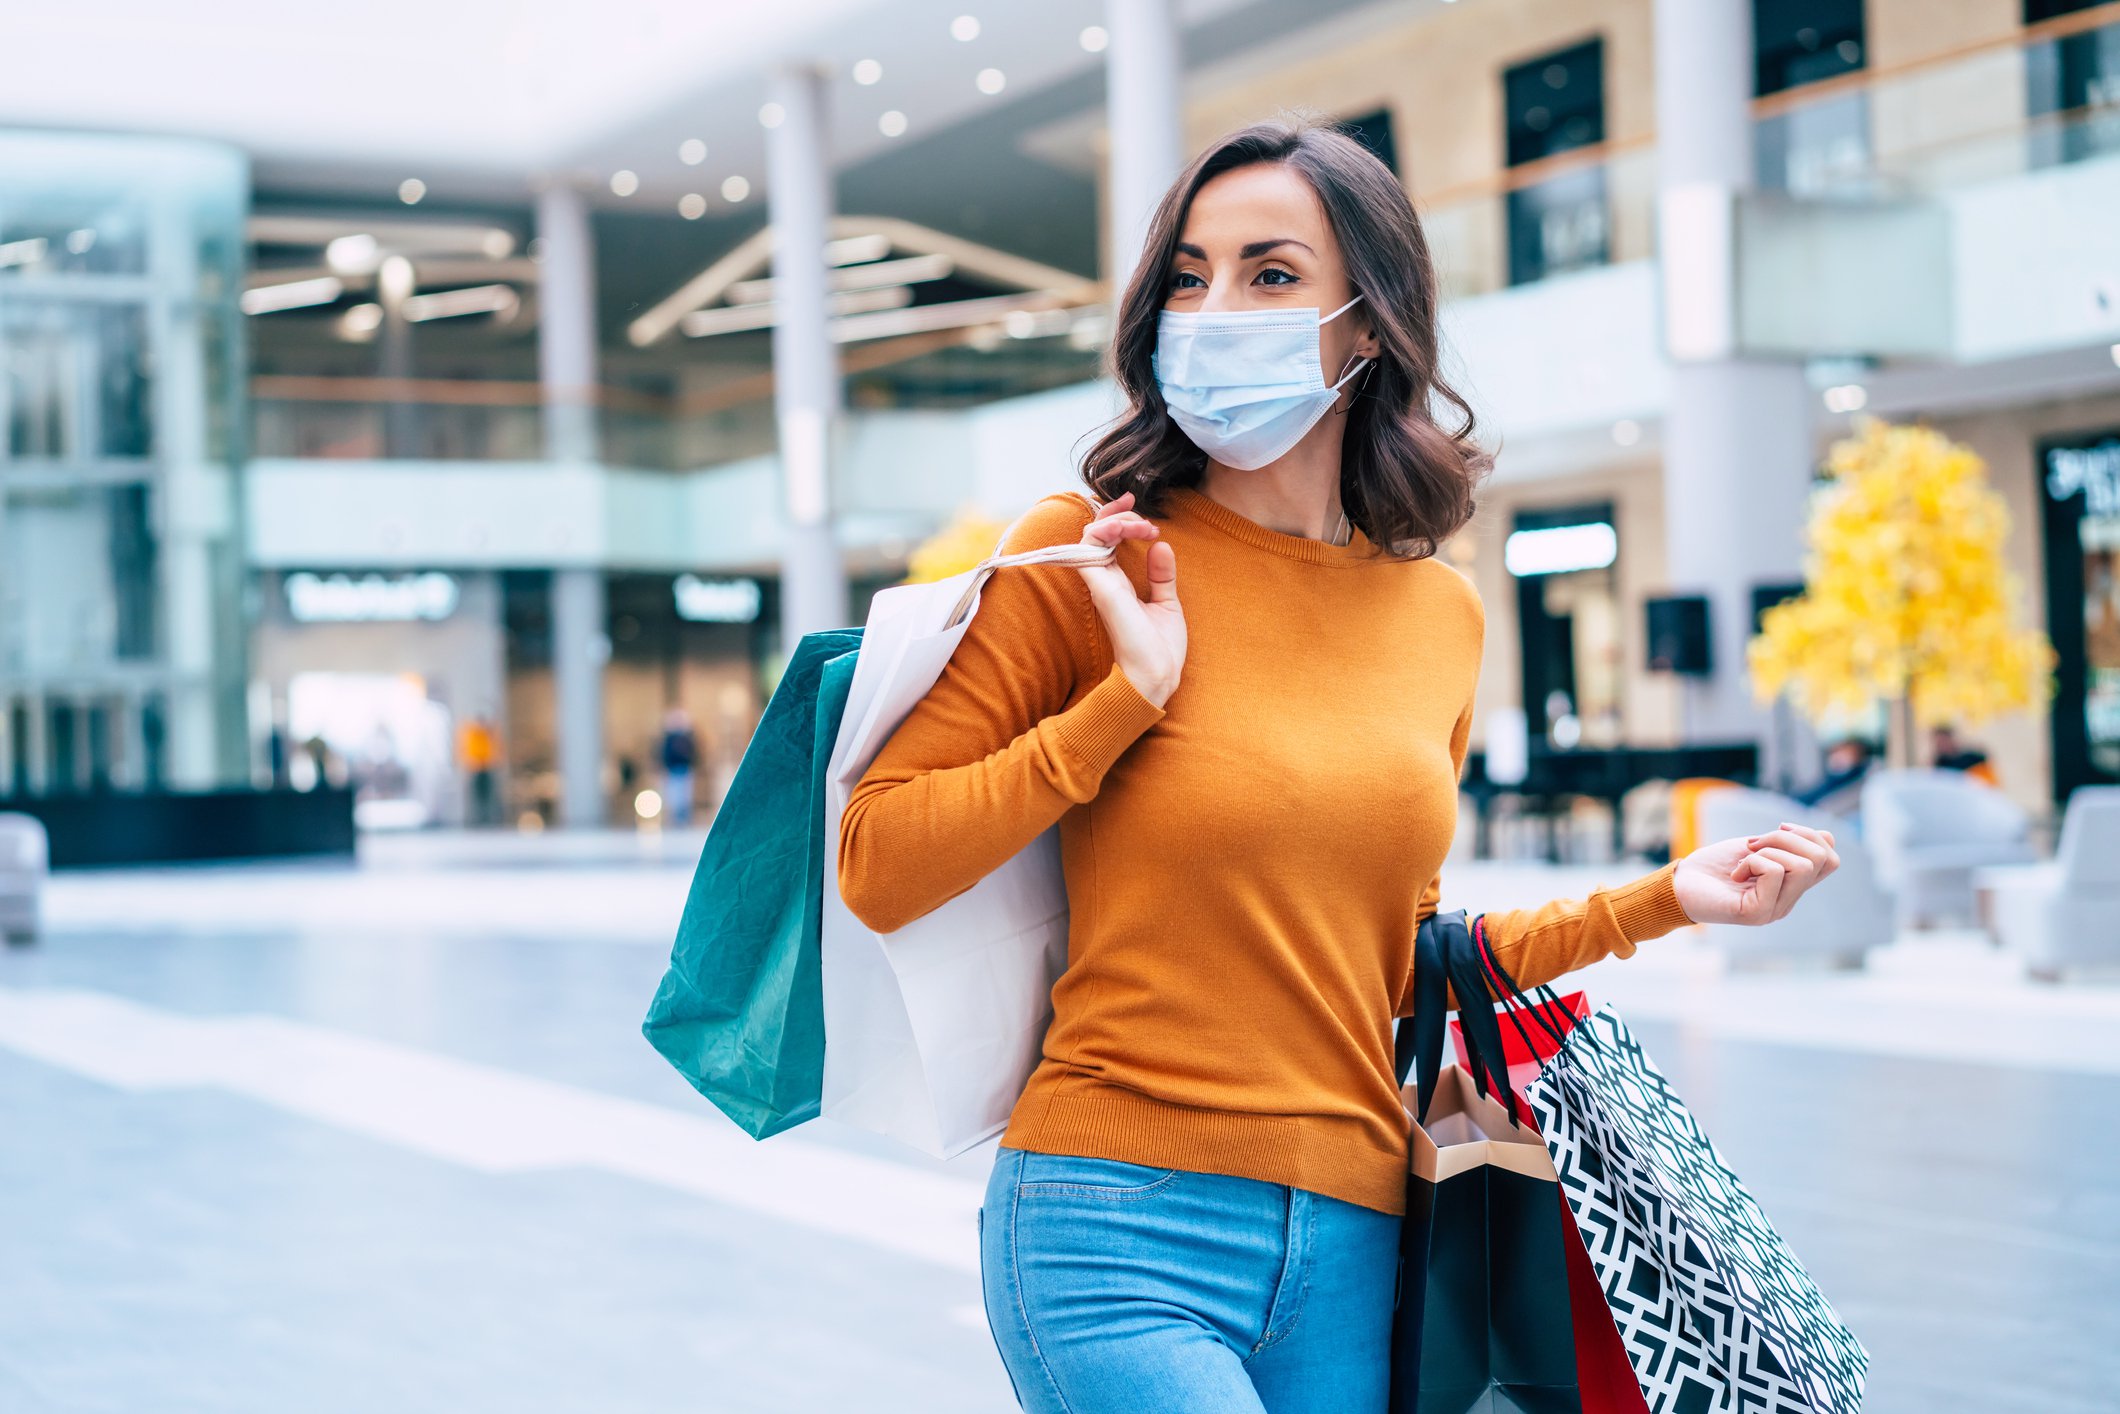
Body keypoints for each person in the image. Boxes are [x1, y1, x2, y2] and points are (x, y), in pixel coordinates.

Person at [837, 120, 1840, 1414]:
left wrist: (1664, 898)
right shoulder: (1091, 553)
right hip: (1114, 1220)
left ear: (1367, 323)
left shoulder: (1438, 614)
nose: (1213, 310)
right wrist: (1123, 702)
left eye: (1269, 273)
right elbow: (879, 861)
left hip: (1359, 1237)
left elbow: (1391, 955)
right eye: (1187, 276)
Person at [1792, 736, 1873, 815]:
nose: (1839, 757)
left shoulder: (1851, 781)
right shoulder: (1824, 772)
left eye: (1849, 754)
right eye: (1839, 752)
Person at [458, 714, 502, 827]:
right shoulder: (471, 734)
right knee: (476, 796)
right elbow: (466, 749)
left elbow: (495, 749)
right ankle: (476, 819)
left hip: (487, 768)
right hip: (475, 769)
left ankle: (488, 819)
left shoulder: (488, 735)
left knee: (487, 795)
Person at [658, 708, 699, 828]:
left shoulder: (688, 737)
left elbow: (694, 752)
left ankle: (684, 816)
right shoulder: (668, 738)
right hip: (672, 770)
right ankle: (675, 817)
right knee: (674, 795)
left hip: (686, 769)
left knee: (685, 795)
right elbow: (664, 754)